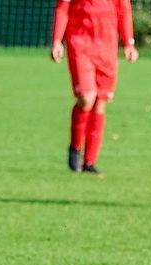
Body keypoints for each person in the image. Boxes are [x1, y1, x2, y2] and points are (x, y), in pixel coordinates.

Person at [51, 0, 139, 175]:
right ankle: (75, 148)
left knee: (100, 102)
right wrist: (57, 40)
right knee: (87, 97)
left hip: (107, 47)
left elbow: (124, 10)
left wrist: (129, 43)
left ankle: (89, 162)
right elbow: (63, 7)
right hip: (80, 43)